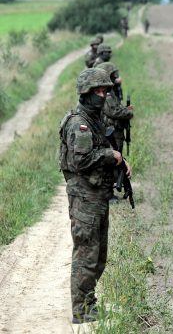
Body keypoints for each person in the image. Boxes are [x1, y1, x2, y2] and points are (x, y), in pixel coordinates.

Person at [58, 67, 132, 324]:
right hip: (85, 199)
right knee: (86, 255)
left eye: (105, 91)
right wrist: (110, 156)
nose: (103, 95)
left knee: (98, 257)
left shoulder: (93, 120)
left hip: (97, 196)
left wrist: (120, 162)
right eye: (98, 91)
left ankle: (89, 303)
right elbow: (81, 160)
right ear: (86, 93)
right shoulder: (80, 123)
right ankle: (80, 310)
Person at [96, 62, 134, 154]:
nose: (115, 77)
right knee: (115, 155)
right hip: (112, 131)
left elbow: (115, 107)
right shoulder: (106, 92)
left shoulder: (108, 90)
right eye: (112, 75)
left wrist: (125, 109)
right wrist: (128, 112)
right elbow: (113, 112)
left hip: (114, 130)